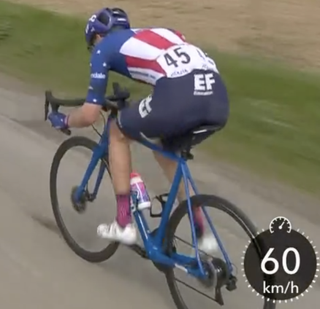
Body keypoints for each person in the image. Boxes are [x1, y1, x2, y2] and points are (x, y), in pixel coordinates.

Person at [48, 7, 229, 254]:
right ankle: (202, 233)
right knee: (166, 149)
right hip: (217, 99)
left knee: (117, 131)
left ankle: (124, 223)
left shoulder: (104, 47)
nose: (94, 49)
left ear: (98, 36)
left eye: (92, 44)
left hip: (180, 94)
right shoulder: (161, 33)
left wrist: (65, 120)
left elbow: (90, 114)